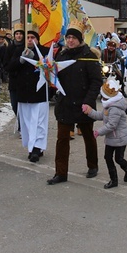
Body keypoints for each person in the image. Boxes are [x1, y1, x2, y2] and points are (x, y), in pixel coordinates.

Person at [47, 20, 103, 185]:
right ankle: (60, 173)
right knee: (62, 139)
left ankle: (93, 165)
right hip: (65, 104)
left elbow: (96, 81)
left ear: (80, 39)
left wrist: (88, 102)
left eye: (73, 37)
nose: (70, 40)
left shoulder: (89, 56)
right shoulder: (61, 55)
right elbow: (55, 77)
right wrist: (49, 77)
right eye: (68, 37)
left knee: (88, 136)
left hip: (84, 105)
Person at [82, 76, 127, 189]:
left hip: (120, 138)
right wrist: (90, 111)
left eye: (104, 98)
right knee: (107, 157)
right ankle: (113, 180)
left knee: (118, 159)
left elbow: (111, 125)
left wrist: (98, 132)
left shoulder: (115, 109)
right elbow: (101, 116)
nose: (102, 100)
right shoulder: (108, 107)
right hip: (111, 139)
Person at [12, 25, 51, 162]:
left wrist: (40, 62)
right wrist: (21, 60)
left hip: (39, 94)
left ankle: (37, 148)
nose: (29, 40)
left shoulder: (45, 51)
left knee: (39, 122)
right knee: (27, 123)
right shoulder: (18, 51)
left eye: (32, 37)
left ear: (37, 39)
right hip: (24, 93)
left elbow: (51, 69)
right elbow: (9, 68)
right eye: (27, 37)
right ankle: (32, 146)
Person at [4, 23, 25, 117]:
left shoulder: (26, 48)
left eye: (20, 34)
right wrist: (18, 61)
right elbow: (6, 65)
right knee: (14, 105)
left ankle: (23, 124)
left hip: (24, 81)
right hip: (13, 81)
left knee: (23, 105)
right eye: (17, 34)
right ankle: (19, 120)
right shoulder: (10, 48)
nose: (19, 36)